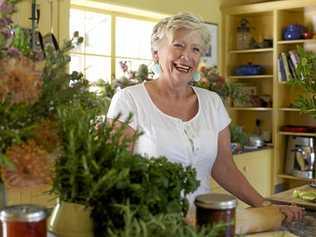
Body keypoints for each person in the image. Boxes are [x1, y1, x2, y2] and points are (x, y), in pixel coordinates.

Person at [107, 12, 303, 223]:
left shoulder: (211, 103)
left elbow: (224, 167)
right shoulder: (129, 100)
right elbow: (114, 175)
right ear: (156, 52)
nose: (187, 56)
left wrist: (265, 205)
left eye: (196, 49)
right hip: (150, 225)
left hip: (204, 223)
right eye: (179, 45)